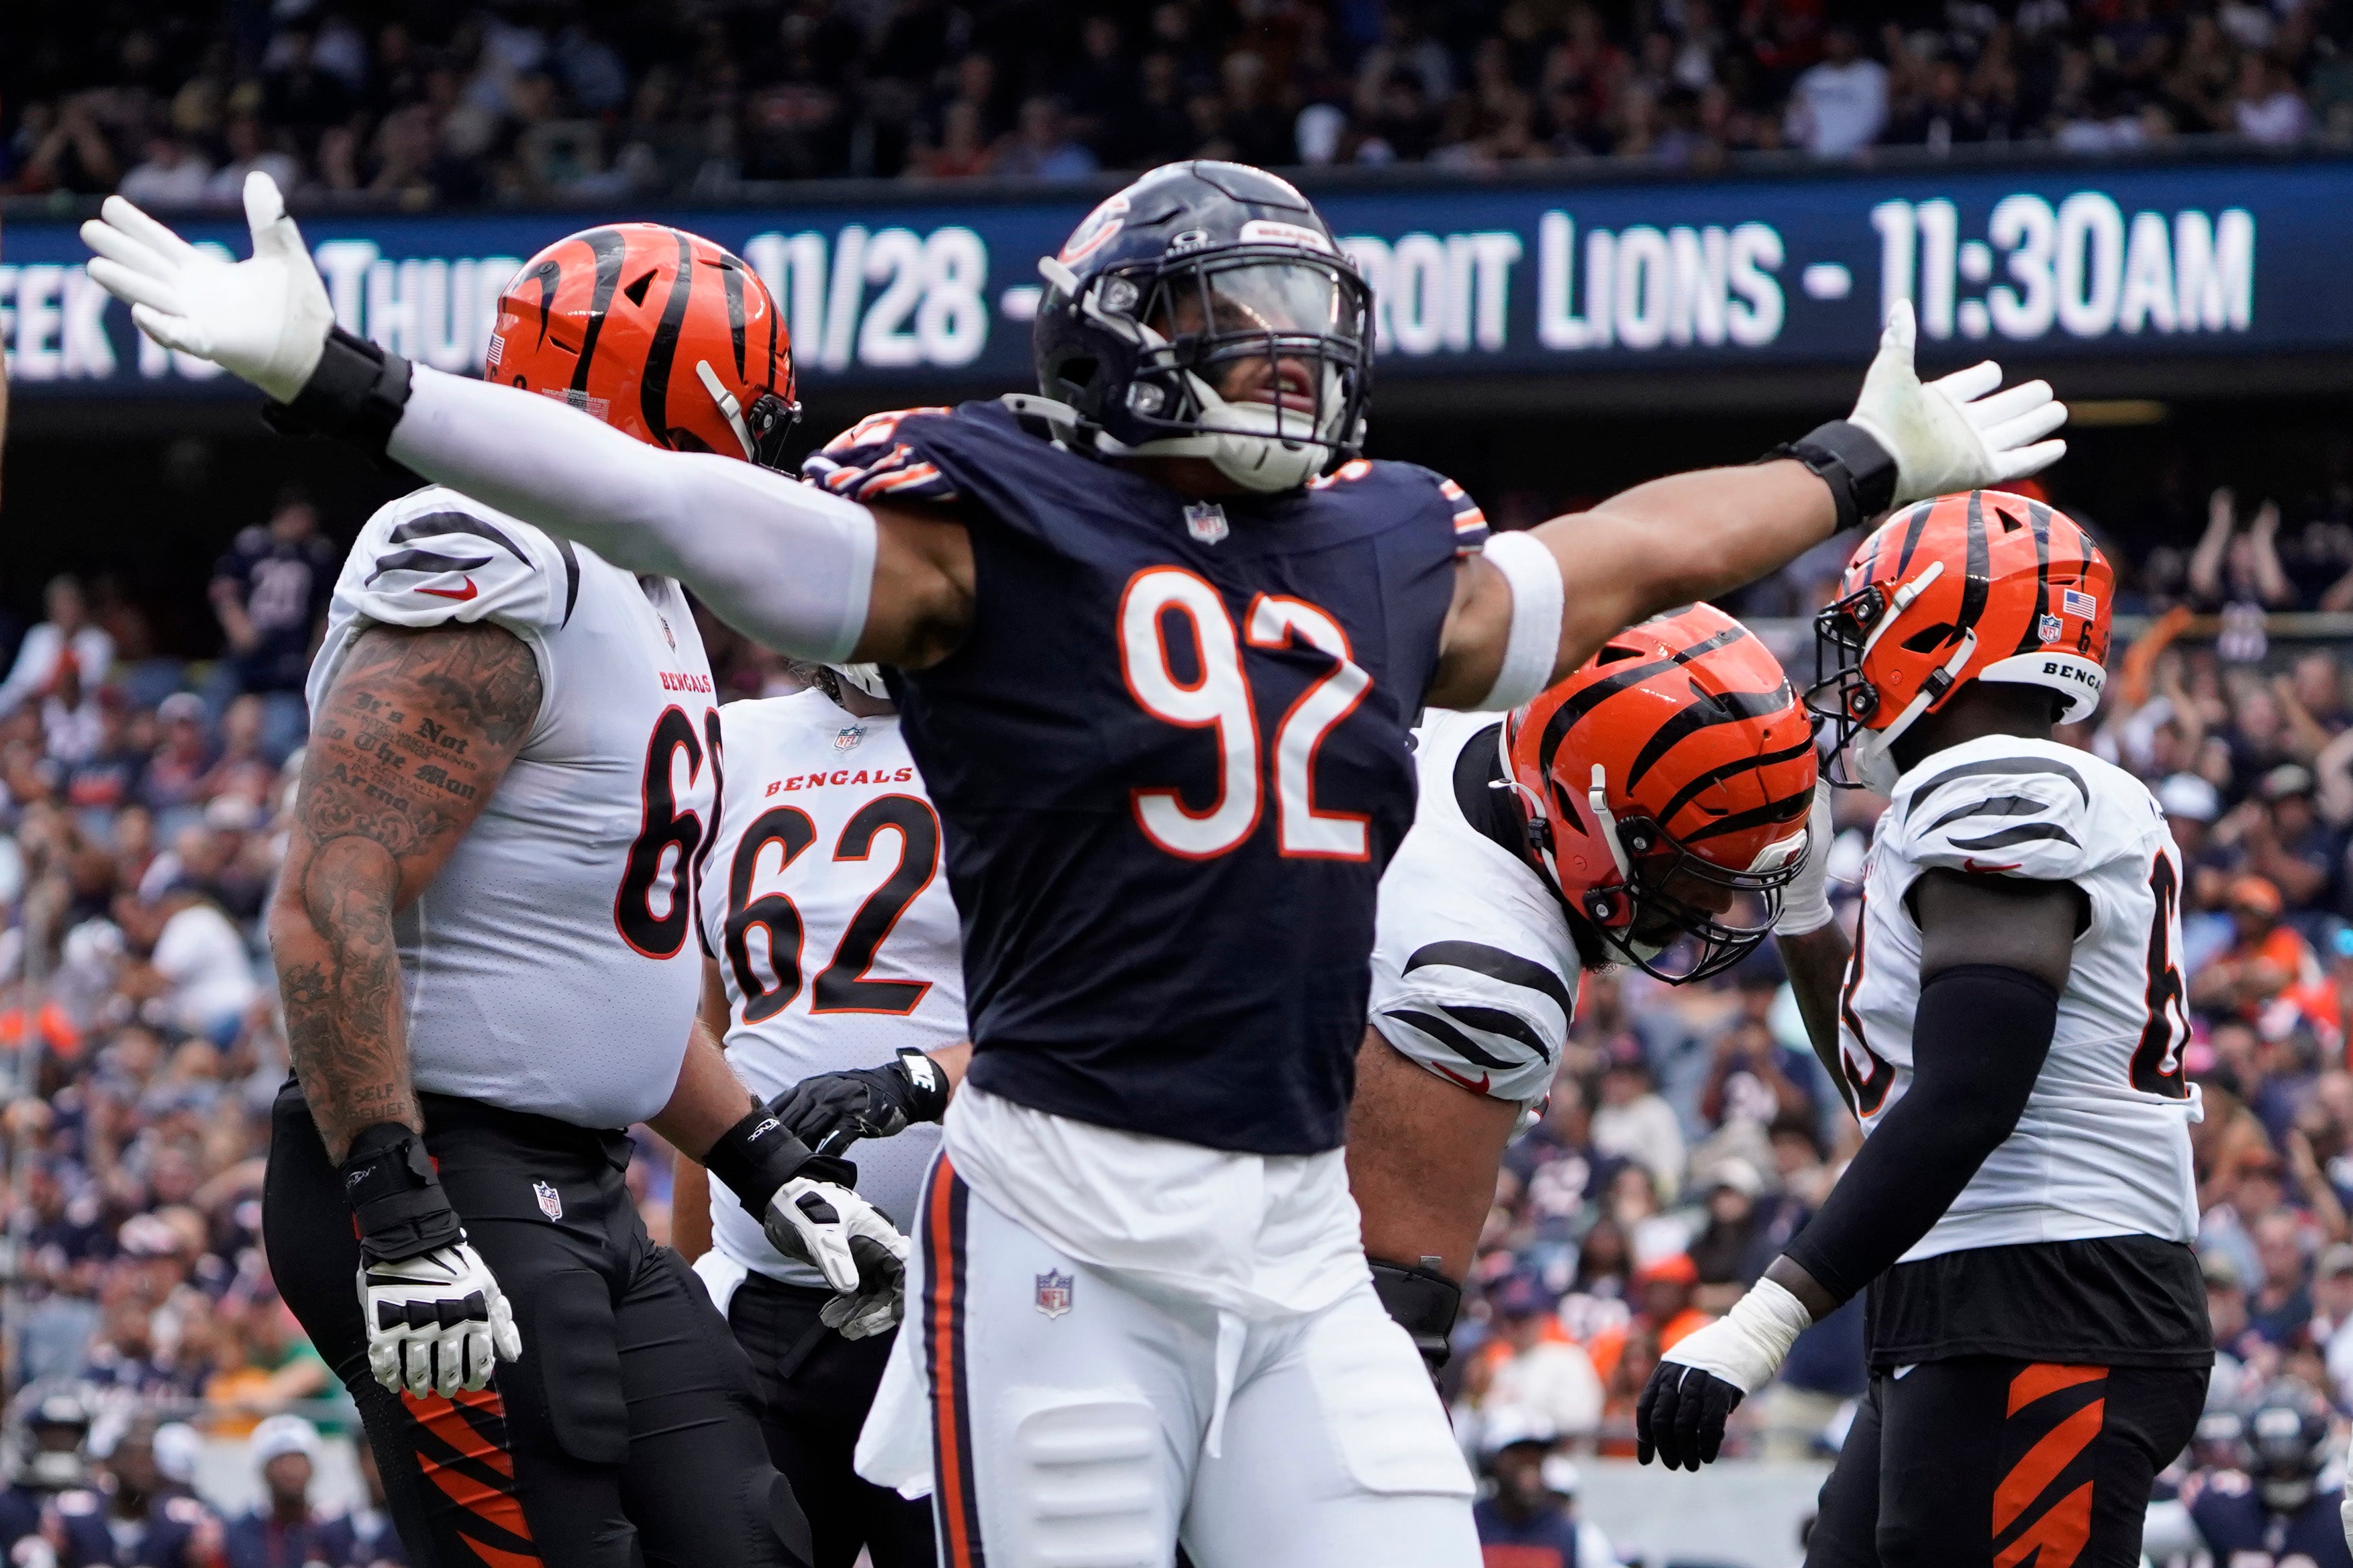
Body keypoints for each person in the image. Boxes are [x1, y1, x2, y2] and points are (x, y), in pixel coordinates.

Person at [85, 161, 2067, 1567]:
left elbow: (1627, 549)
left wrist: (1854, 460)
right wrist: (346, 382)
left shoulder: (1377, 545)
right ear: (1124, 343)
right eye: (1238, 325)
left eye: (1302, 324)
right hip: (1054, 1212)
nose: (1288, 359)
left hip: (1290, 1227)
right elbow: (667, 492)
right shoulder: (985, 527)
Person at [237, 222, 889, 1567]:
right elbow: (329, 892)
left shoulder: (636, 581)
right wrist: (396, 1204)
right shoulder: (492, 551)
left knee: (749, 1532)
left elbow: (605, 967)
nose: (765, 438)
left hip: (574, 1183)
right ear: (678, 385)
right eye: (749, 400)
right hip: (437, 1166)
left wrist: (762, 1161)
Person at [1637, 492, 2212, 1568]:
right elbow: (1893, 1085)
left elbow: (1967, 1098)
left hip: (2044, 1293)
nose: (1851, 665)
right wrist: (1805, 912)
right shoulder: (1993, 792)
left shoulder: (2001, 783)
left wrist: (1767, 1318)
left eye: (1865, 629)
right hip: (1985, 1293)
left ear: (1942, 634)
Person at [1344, 600, 1817, 1368]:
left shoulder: (1474, 694)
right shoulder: (1488, 984)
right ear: (1590, 820)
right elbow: (1389, 1311)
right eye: (1690, 874)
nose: (1710, 909)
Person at [673, 658, 966, 1568]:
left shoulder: (1027, 730)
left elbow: (1074, 1014)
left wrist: (914, 1080)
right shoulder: (729, 743)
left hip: (964, 1305)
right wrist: (696, 1278)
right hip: (764, 1306)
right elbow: (707, 1052)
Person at [2148, 1383, 2351, 1568]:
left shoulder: (2341, 1512)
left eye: (2289, 1467)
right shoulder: (2222, 1506)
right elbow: (2145, 1533)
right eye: (2276, 1467)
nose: (2282, 1474)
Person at [208, 484, 339, 762]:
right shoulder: (252, 544)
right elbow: (224, 589)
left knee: (281, 732)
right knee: (213, 716)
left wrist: (317, 648)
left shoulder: (316, 553)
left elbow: (327, 606)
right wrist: (239, 627)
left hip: (289, 657)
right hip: (247, 654)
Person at [1471, 1410, 1619, 1568]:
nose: (1530, 1464)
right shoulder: (1470, 1526)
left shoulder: (1575, 1535)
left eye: (1537, 1456)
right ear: (1492, 1462)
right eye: (1519, 1455)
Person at [222, 1414, 357, 1568]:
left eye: (298, 1458)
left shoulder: (337, 1528)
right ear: (263, 1469)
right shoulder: (240, 1531)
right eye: (280, 1459)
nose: (290, 1468)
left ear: (312, 1467)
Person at [0, 576, 115, 721]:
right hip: (34, 709)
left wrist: (48, 686)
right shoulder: (39, 635)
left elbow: (89, 684)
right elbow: (20, 681)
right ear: (51, 609)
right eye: (60, 604)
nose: (66, 610)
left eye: (70, 603)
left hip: (81, 712)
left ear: (81, 606)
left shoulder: (100, 641)